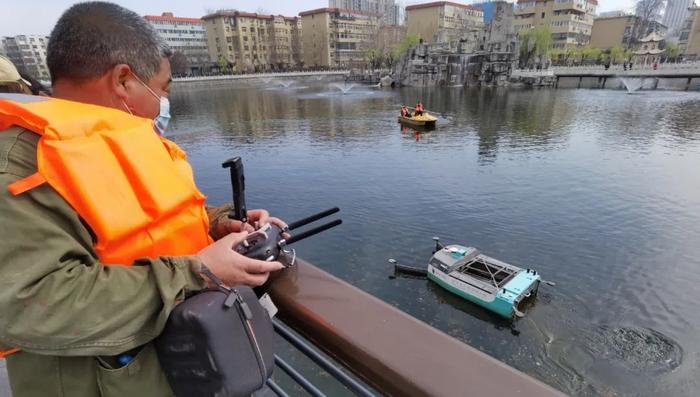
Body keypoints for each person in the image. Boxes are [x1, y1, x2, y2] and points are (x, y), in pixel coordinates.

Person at [0, 2, 286, 396]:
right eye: (164, 87)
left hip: (176, 368)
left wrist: (216, 222)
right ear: (123, 81)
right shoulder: (22, 161)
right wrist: (196, 272)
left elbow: (134, 224)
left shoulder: (115, 140)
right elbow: (27, 304)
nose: (163, 101)